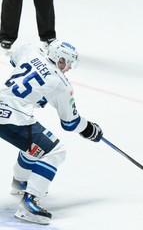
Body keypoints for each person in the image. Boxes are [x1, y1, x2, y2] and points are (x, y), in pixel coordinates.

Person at [0, 40, 103, 225]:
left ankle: (20, 182)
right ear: (59, 59)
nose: (69, 68)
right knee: (55, 151)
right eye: (68, 63)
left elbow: (15, 60)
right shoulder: (61, 83)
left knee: (35, 146)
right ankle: (29, 203)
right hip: (14, 118)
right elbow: (70, 123)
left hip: (4, 107)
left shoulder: (31, 50)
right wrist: (90, 129)